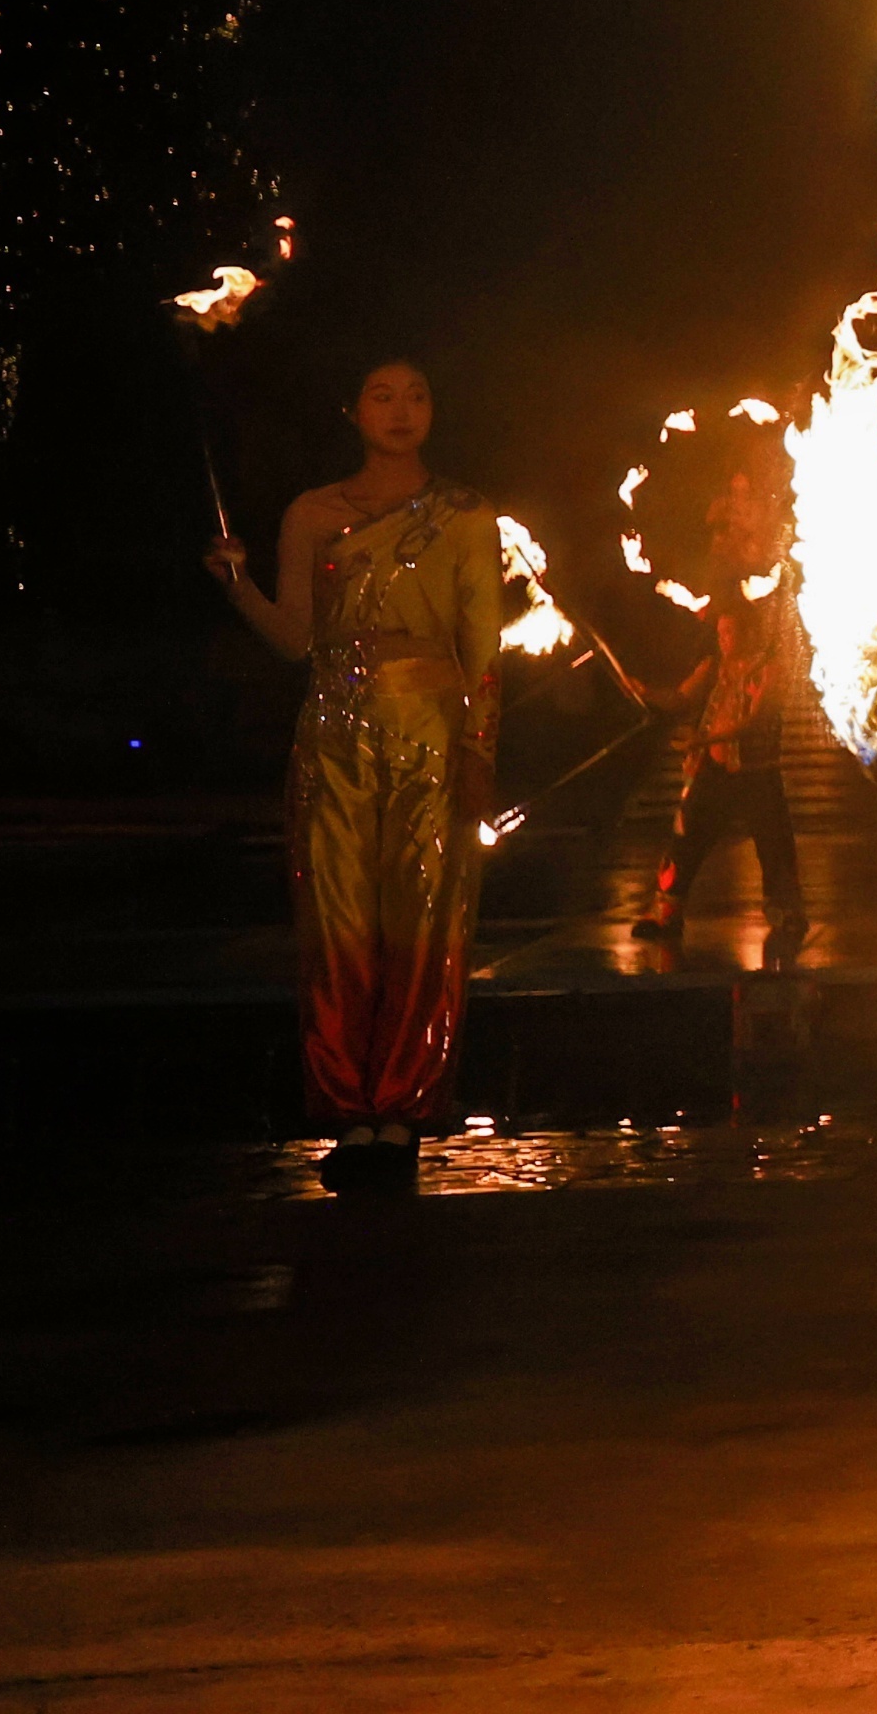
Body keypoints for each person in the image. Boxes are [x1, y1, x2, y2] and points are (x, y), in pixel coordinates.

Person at [206, 355, 502, 1192]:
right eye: (382, 395)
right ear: (354, 411)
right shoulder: (313, 513)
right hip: (334, 736)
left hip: (431, 733)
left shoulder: (468, 514)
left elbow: (483, 648)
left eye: (416, 395)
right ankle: (350, 1111)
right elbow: (295, 639)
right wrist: (238, 588)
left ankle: (402, 1112)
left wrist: (480, 751)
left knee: (420, 923)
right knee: (337, 925)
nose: (400, 410)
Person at [630, 467, 814, 972]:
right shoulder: (715, 663)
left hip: (756, 773)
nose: (725, 638)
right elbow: (682, 696)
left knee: (775, 851)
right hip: (713, 770)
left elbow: (755, 722)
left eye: (732, 633)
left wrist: (704, 736)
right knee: (685, 842)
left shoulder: (767, 668)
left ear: (748, 633)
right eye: (723, 632)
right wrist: (643, 690)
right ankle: (666, 912)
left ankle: (789, 915)